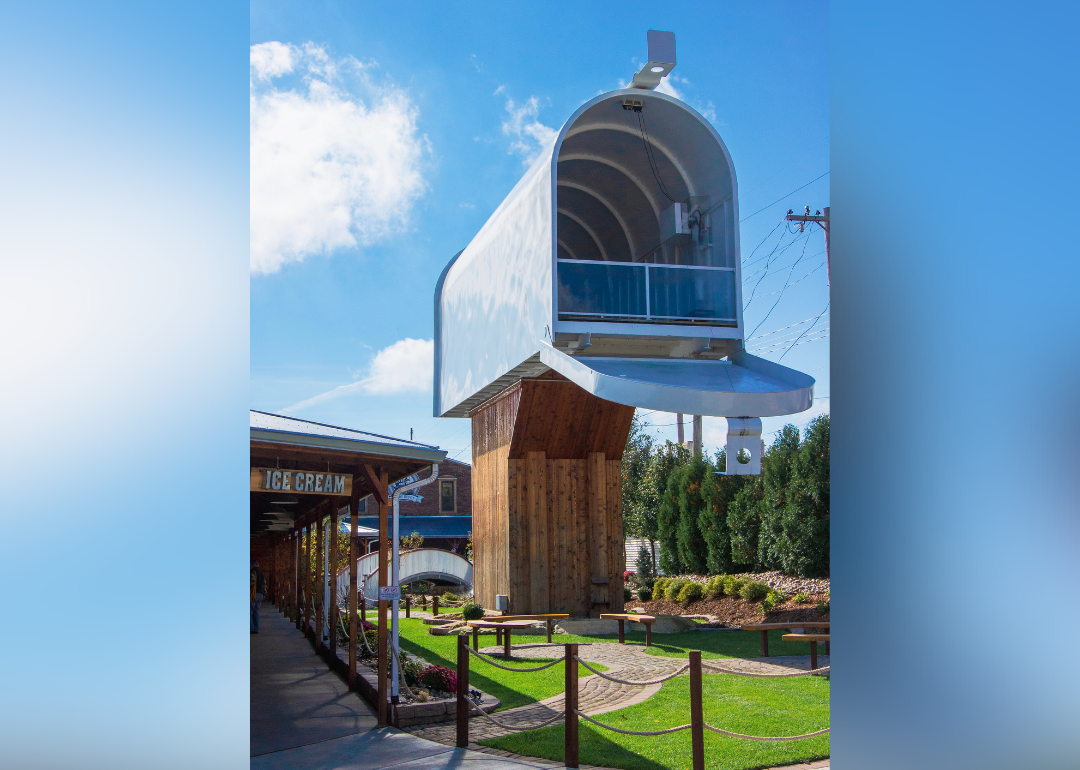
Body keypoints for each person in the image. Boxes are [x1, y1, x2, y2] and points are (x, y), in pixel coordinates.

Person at [251, 561, 265, 634]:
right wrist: (264, 593)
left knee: (250, 612)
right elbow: (264, 584)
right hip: (260, 594)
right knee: (256, 612)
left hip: (253, 594)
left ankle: (251, 628)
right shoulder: (261, 573)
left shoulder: (252, 573)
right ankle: (256, 628)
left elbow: (251, 583)